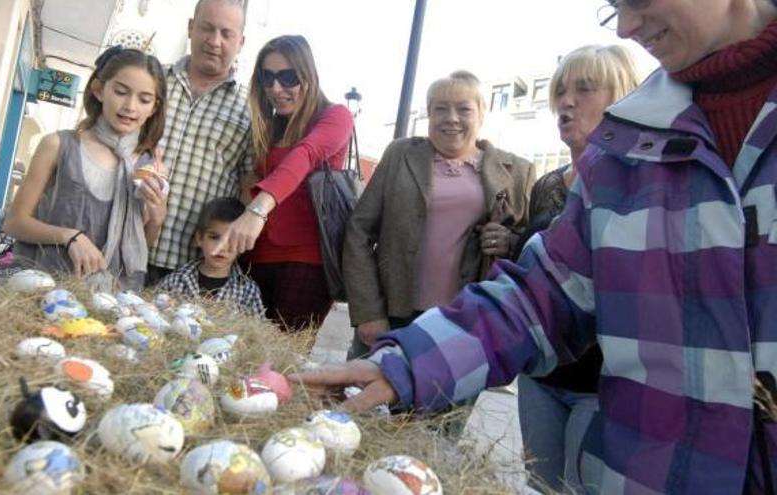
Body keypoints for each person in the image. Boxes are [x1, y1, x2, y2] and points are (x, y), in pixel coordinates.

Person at [291, 0, 777, 492]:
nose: (627, 27)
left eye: (637, 1)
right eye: (615, 9)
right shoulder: (629, 146)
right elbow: (542, 294)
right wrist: (409, 363)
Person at [511, 45, 638, 493]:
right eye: (560, 91)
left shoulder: (641, 184)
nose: (566, 102)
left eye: (584, 89)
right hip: (541, 377)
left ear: (622, 97)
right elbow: (543, 275)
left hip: (601, 385)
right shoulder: (546, 186)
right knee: (540, 487)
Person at [343, 70, 535, 359]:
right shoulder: (400, 154)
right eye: (440, 109)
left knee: (444, 405)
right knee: (361, 401)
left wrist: (510, 240)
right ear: (429, 115)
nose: (451, 118)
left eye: (464, 109)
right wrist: (368, 311)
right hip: (391, 317)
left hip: (464, 325)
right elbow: (358, 232)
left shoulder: (517, 171)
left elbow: (534, 243)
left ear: (482, 114)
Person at [213, 35, 353, 332]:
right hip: (253, 255)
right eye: (268, 77)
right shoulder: (269, 124)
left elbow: (306, 155)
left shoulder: (335, 116)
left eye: (288, 77)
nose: (276, 88)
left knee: (277, 363)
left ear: (308, 74)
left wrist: (257, 209)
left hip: (305, 260)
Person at [4, 47, 168, 291]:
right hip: (44, 294)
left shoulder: (148, 167)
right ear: (99, 90)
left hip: (109, 303)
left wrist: (157, 216)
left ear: (154, 108)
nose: (130, 106)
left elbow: (140, 244)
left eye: (144, 99)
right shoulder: (58, 145)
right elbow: (14, 222)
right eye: (121, 92)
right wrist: (69, 237)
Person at [146, 0, 254, 286]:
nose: (214, 41)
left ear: (240, 42)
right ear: (191, 27)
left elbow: (248, 190)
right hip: (128, 247)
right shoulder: (152, 82)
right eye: (207, 28)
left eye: (226, 33)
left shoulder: (250, 110)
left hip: (194, 272)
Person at [157, 197, 264, 317]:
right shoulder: (175, 282)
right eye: (214, 237)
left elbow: (256, 331)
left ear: (242, 244)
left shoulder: (248, 291)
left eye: (231, 239)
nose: (221, 247)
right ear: (199, 238)